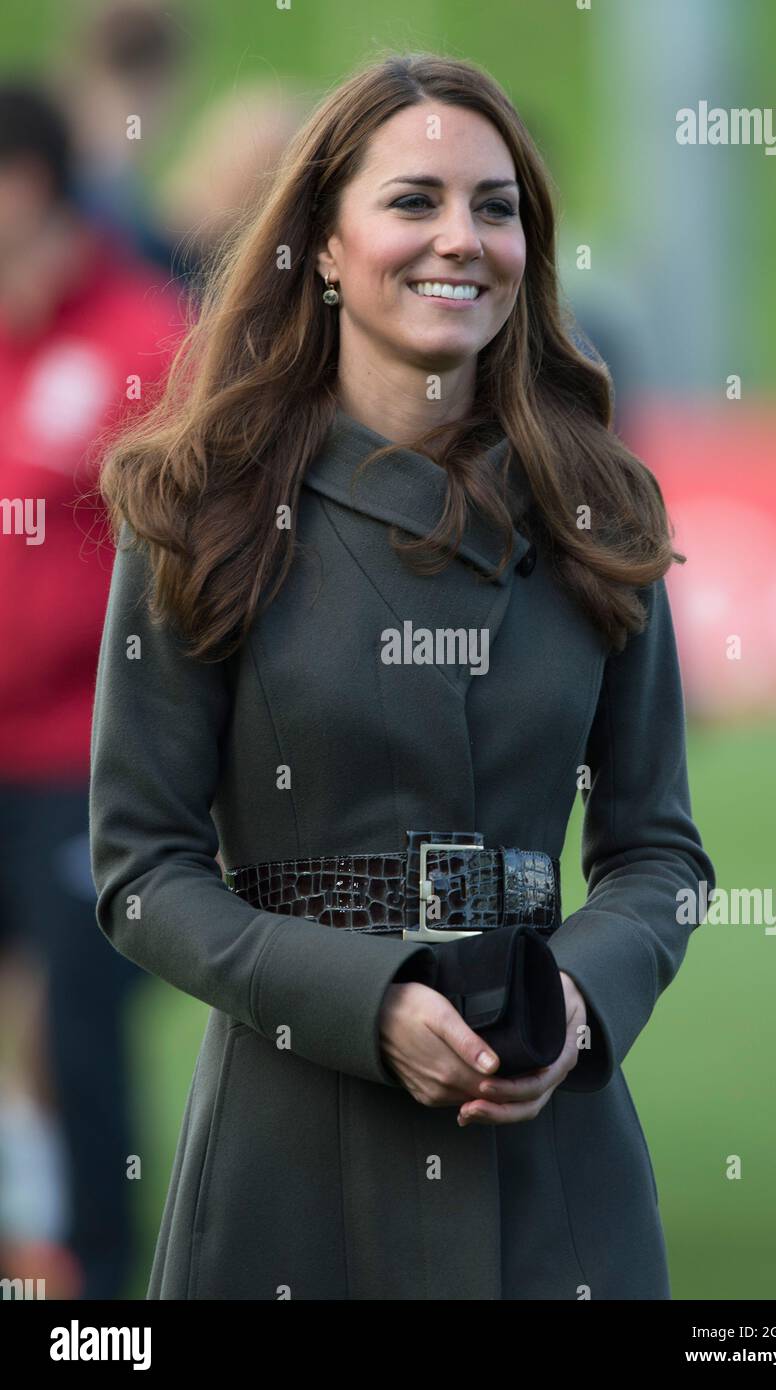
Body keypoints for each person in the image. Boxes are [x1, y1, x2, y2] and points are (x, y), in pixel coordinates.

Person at [89, 51, 716, 1300]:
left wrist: (578, 1006)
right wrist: (362, 1002)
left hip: (556, 1161)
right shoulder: (197, 508)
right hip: (285, 1166)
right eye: (413, 201)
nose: (462, 239)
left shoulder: (603, 507)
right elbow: (142, 872)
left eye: (497, 207)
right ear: (323, 245)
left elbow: (662, 858)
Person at [0, 81, 182, 1298]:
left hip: (82, 763)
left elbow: (192, 559)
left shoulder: (142, 340)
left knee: (77, 1032)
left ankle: (105, 1297)